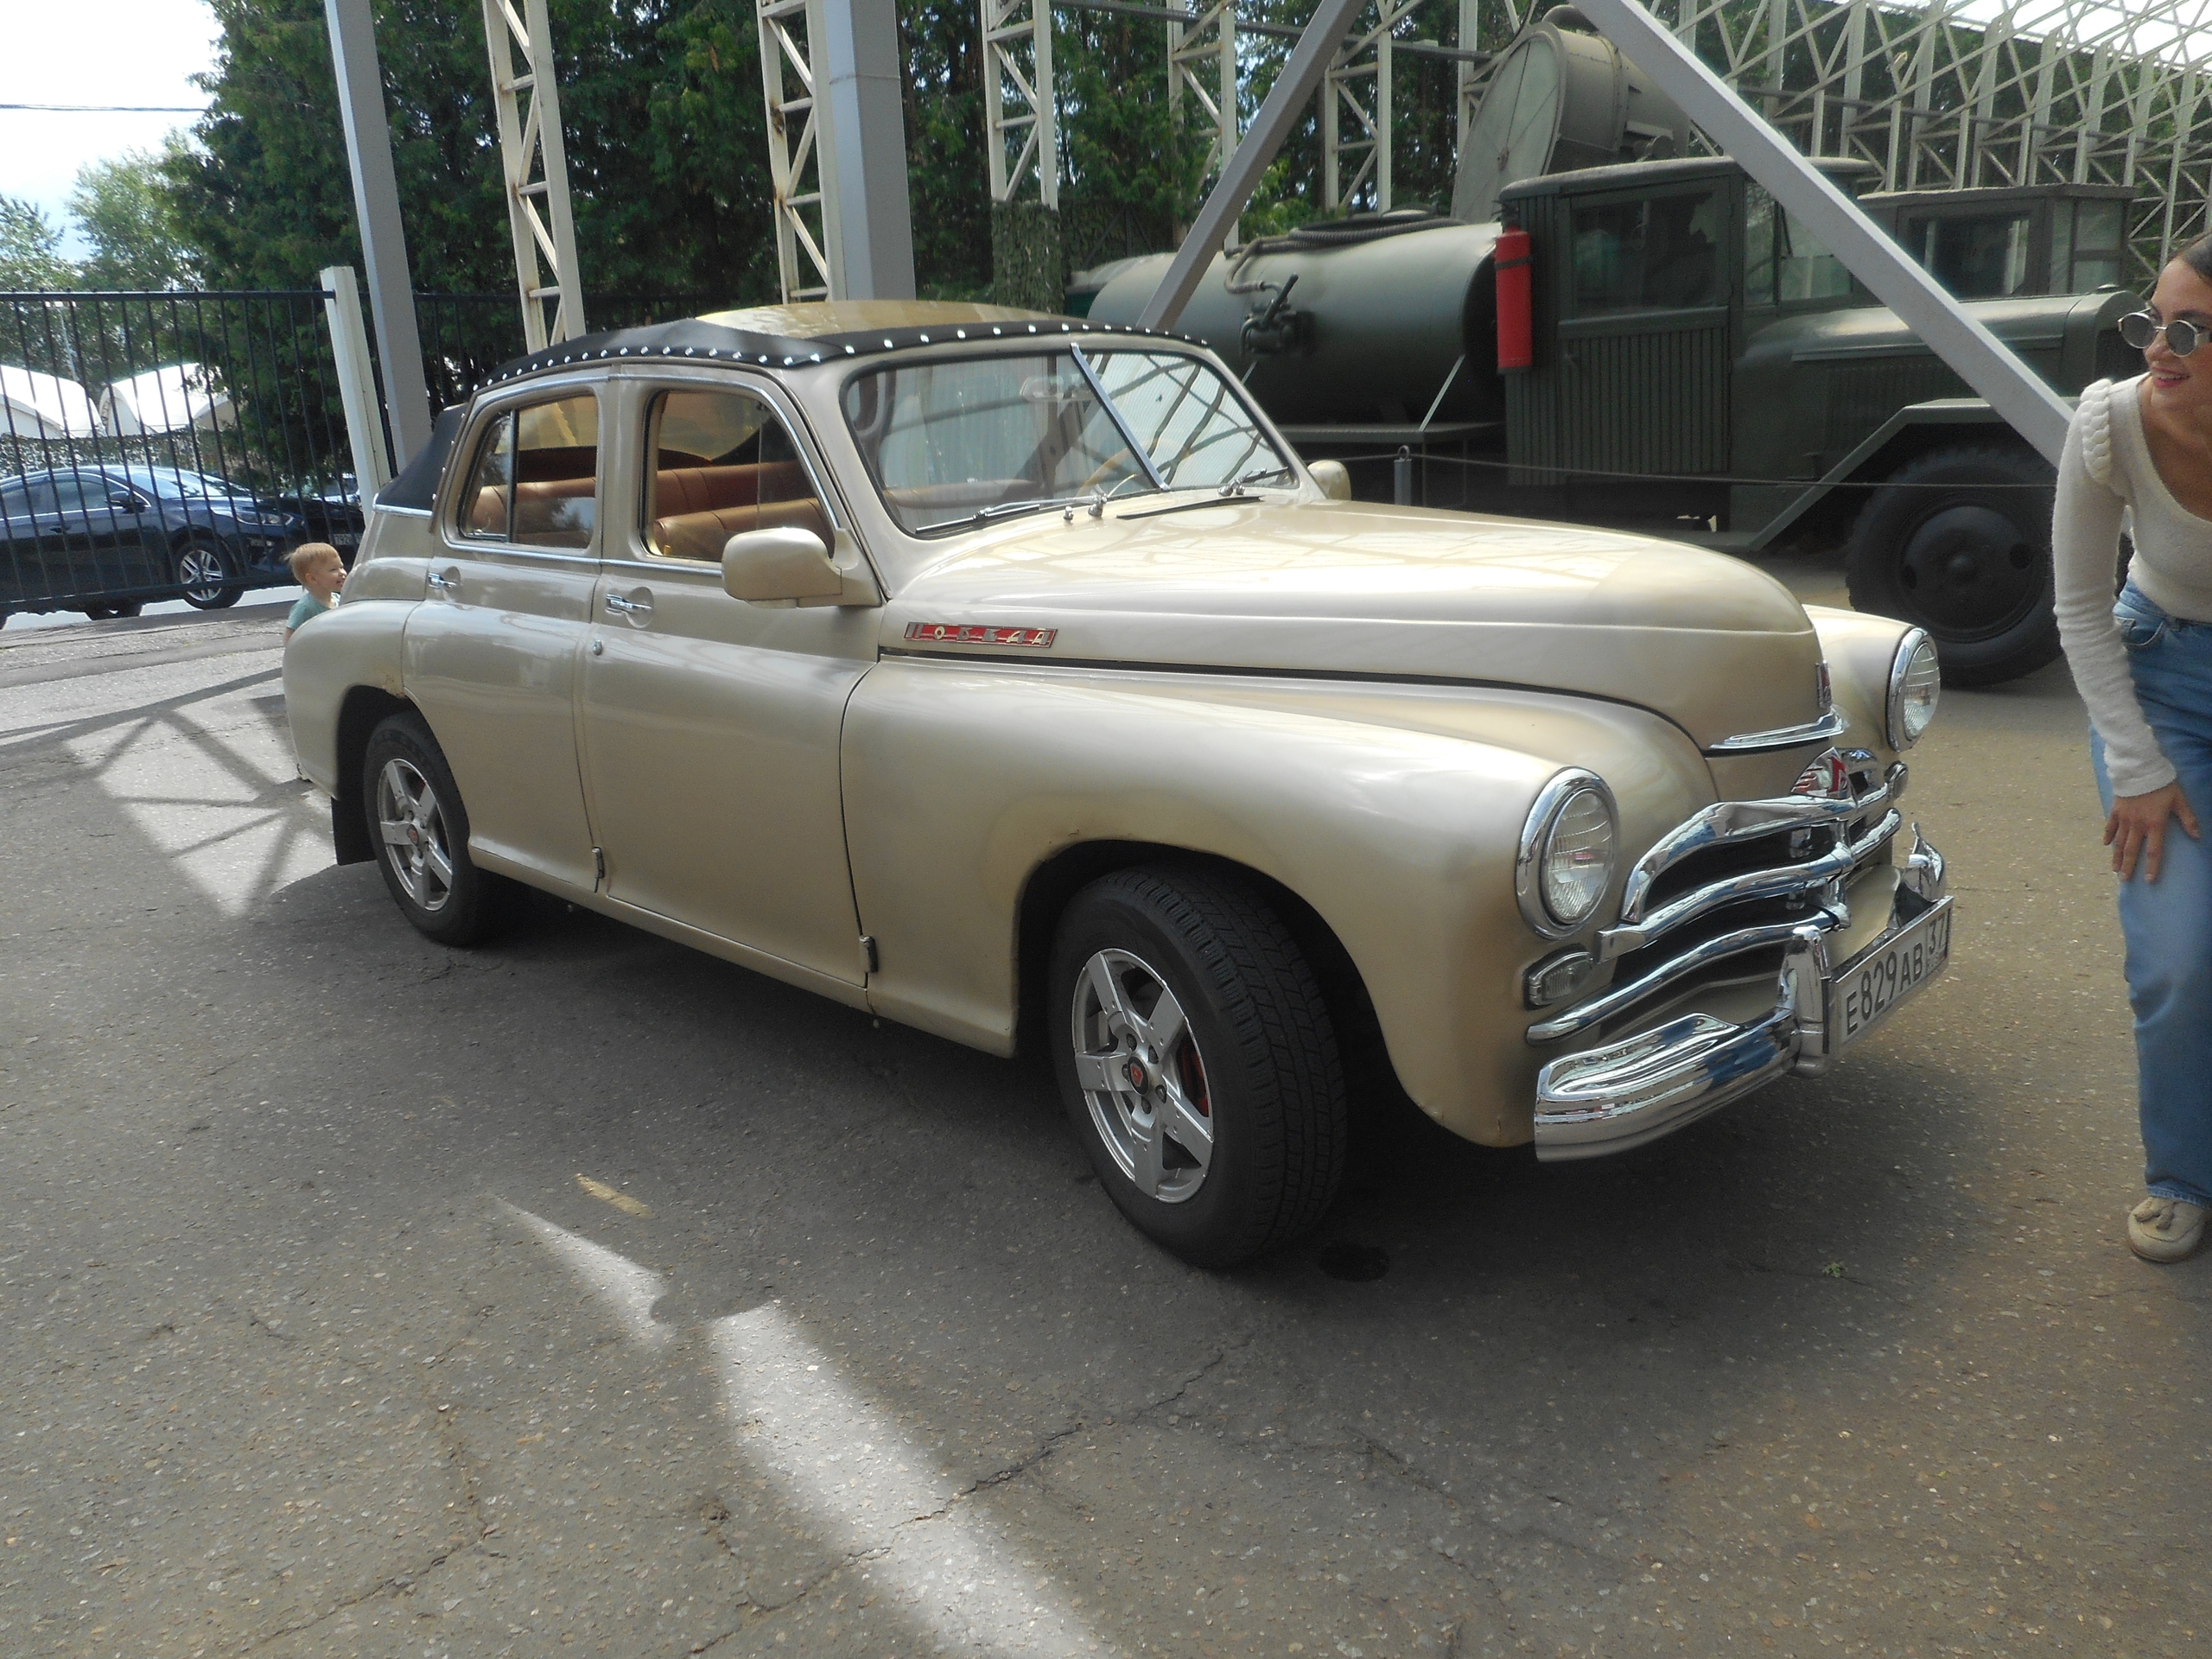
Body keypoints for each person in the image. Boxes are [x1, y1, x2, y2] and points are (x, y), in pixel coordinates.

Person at [2053, 236, 2212, 1263]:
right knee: (2177, 955)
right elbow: (2077, 604)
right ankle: (2183, 1175)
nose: (2157, 347)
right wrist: (2138, 767)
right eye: (2151, 321)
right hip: (2159, 682)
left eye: (2189, 331)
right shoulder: (2109, 422)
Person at [283, 543, 346, 642]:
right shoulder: (305, 608)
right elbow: (290, 639)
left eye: (341, 567)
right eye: (333, 569)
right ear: (312, 578)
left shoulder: (339, 600)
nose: (342, 573)